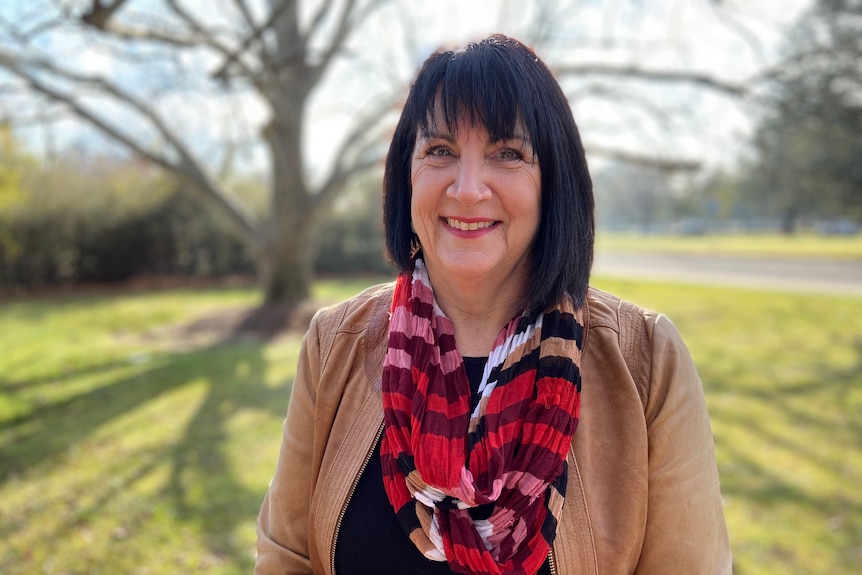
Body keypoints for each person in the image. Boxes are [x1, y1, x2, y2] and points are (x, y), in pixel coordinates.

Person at [255, 34, 731, 575]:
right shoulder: (333, 344)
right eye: (440, 151)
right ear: (404, 176)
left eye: (507, 153)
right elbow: (285, 559)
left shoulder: (647, 360)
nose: (468, 188)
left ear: (553, 181)